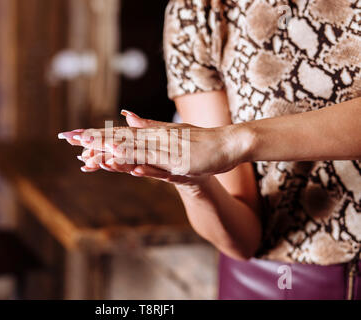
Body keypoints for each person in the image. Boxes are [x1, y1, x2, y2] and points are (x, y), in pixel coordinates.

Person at [59, 0, 361, 299]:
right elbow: (243, 241)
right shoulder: (198, 12)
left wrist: (235, 142)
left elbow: (223, 144)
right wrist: (194, 181)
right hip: (279, 283)